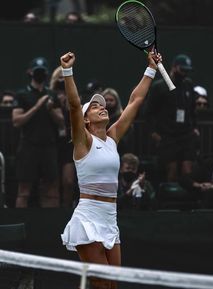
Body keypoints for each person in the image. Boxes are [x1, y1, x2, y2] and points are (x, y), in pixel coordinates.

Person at [60, 49, 161, 289]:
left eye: (103, 105)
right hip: (87, 217)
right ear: (86, 119)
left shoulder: (113, 138)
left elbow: (135, 100)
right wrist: (67, 71)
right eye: (94, 107)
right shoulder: (82, 140)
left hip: (110, 219)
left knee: (112, 286)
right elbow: (74, 106)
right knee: (102, 284)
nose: (102, 107)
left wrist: (151, 69)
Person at [12, 56, 64, 208]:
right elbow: (16, 121)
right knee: (24, 191)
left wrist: (50, 109)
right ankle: (20, 225)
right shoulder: (22, 94)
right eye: (37, 71)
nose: (39, 74)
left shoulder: (52, 95)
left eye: (42, 71)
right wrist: (36, 107)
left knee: (51, 190)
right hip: (29, 146)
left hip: (49, 146)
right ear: (30, 72)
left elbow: (61, 122)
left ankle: (51, 225)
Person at [145, 53, 197, 183]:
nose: (184, 73)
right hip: (167, 135)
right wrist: (153, 132)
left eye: (187, 70)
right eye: (182, 69)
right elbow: (149, 112)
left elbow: (192, 109)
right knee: (171, 171)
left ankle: (188, 201)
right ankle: (170, 201)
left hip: (185, 134)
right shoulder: (160, 86)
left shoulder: (188, 85)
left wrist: (194, 127)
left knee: (188, 171)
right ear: (174, 67)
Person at [49, 66, 77, 207]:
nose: (61, 80)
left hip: (68, 143)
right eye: (58, 77)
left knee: (68, 181)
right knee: (52, 182)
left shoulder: (73, 96)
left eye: (63, 77)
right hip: (51, 142)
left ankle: (66, 210)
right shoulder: (49, 95)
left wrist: (67, 104)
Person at [102, 87, 134, 155]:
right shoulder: (97, 117)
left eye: (111, 100)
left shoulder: (122, 116)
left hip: (119, 149)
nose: (108, 102)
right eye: (106, 100)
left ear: (116, 101)